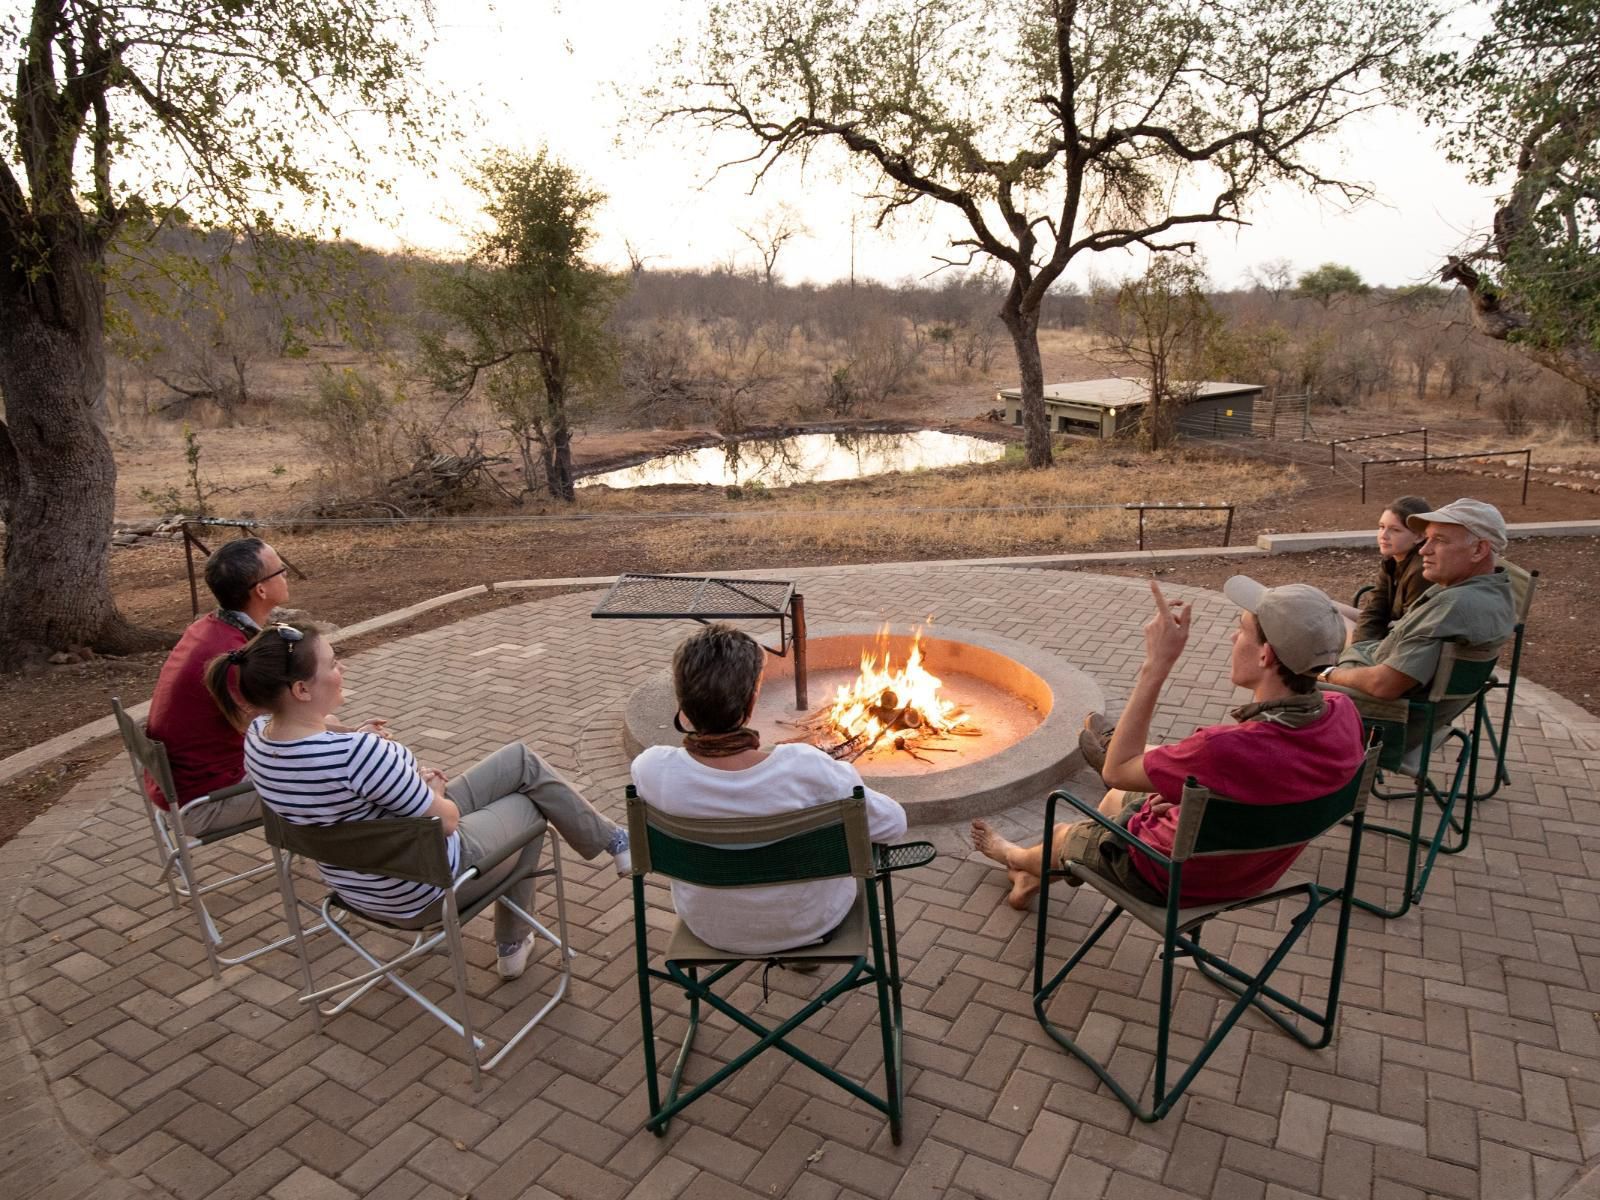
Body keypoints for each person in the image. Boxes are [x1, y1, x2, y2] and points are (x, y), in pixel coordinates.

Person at [205, 623, 630, 981]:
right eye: (332, 664)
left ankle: (613, 840)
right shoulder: (360, 756)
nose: (342, 668)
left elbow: (321, 733)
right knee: (531, 807)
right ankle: (513, 939)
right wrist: (434, 792)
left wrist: (355, 736)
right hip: (421, 886)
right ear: (300, 688)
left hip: (360, 881)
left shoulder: (259, 739)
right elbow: (445, 821)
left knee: (519, 760)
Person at [974, 578, 1364, 910]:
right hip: (1254, 869)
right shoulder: (1342, 712)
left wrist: (1156, 665)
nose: (1232, 636)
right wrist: (1198, 801)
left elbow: (1115, 770)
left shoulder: (1225, 748)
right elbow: (1272, 778)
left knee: (1065, 831)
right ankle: (1041, 874)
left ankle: (1017, 858)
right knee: (1114, 801)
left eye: (1242, 628)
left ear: (1265, 655)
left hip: (1176, 876)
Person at [629, 623, 907, 956]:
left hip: (710, 927)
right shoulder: (806, 767)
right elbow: (893, 824)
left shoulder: (652, 770)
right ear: (751, 703)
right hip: (812, 924)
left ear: (683, 705)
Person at [143, 537, 294, 834]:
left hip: (182, 788)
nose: (286, 574)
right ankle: (355, 867)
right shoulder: (229, 657)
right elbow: (276, 730)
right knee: (334, 771)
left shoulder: (208, 628)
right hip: (204, 803)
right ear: (261, 590)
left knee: (331, 744)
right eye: (281, 570)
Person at [1321, 498, 1516, 700]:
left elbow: (1383, 685)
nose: (1424, 550)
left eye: (1439, 540)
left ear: (1478, 550)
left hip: (1376, 710)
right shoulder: (1493, 591)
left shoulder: (1453, 605)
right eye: (1427, 538)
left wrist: (1326, 674)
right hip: (1371, 663)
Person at [1337, 495, 1433, 644]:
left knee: (1332, 618)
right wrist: (1359, 644)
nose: (1384, 536)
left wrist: (1358, 650)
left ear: (1419, 537)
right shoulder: (1392, 560)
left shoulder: (1422, 569)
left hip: (1399, 640)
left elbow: (1411, 629)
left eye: (1395, 530)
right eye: (1382, 527)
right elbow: (1375, 609)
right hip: (1388, 627)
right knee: (1325, 605)